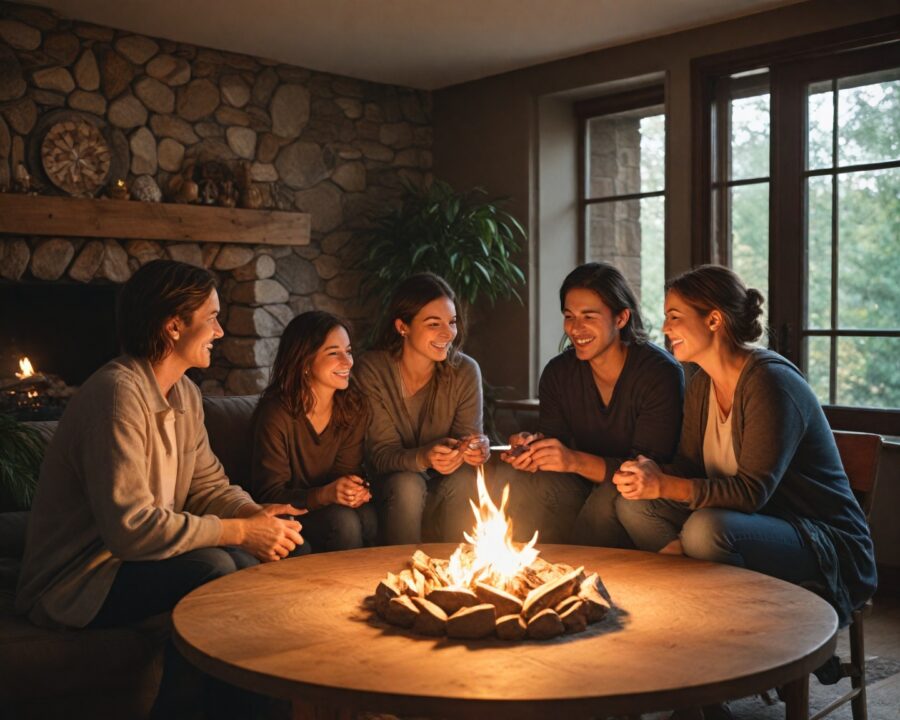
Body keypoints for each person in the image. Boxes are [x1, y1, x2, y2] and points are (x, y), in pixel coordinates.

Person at [16, 259, 304, 716]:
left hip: (136, 564)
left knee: (270, 561)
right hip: (81, 580)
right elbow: (130, 529)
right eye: (211, 318)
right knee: (214, 566)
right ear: (174, 326)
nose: (221, 331)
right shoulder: (117, 395)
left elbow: (208, 484)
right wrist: (237, 533)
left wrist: (256, 518)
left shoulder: (184, 394)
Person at [614, 264, 877, 628]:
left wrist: (664, 485)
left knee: (705, 531)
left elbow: (752, 493)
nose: (665, 328)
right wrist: (649, 477)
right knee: (633, 506)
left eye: (674, 317)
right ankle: (699, 607)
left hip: (819, 539)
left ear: (714, 320)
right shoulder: (702, 384)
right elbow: (691, 466)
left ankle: (740, 632)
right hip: (756, 524)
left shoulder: (770, 382)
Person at [500, 262, 684, 545]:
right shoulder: (558, 373)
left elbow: (644, 468)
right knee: (524, 482)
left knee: (607, 498)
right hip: (579, 484)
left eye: (589, 316)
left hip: (641, 492)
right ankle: (524, 571)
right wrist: (532, 449)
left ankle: (578, 576)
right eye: (569, 316)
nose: (576, 328)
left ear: (621, 318)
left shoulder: (659, 373)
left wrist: (571, 460)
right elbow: (555, 442)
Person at [355, 273, 490, 544]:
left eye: (451, 322)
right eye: (433, 324)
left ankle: (460, 575)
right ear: (402, 326)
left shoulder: (464, 370)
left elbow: (467, 439)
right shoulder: (372, 370)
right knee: (408, 484)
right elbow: (380, 455)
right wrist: (425, 457)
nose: (447, 333)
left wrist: (474, 449)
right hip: (388, 486)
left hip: (444, 483)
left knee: (466, 478)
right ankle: (402, 577)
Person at [251, 311, 376, 552]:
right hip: (288, 509)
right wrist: (325, 495)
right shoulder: (276, 413)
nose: (348, 361)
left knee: (369, 518)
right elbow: (269, 493)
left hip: (330, 506)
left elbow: (345, 473)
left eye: (348, 351)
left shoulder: (353, 407)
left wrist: (354, 491)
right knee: (343, 522)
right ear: (305, 362)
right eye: (334, 353)